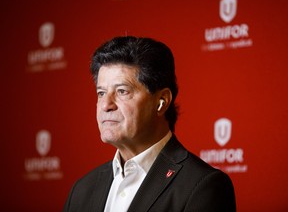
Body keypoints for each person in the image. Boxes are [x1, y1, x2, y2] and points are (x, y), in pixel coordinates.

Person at [63, 36, 236, 212]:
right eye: (101, 93)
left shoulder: (202, 187)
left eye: (122, 91)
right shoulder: (82, 190)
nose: (106, 105)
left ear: (161, 101)